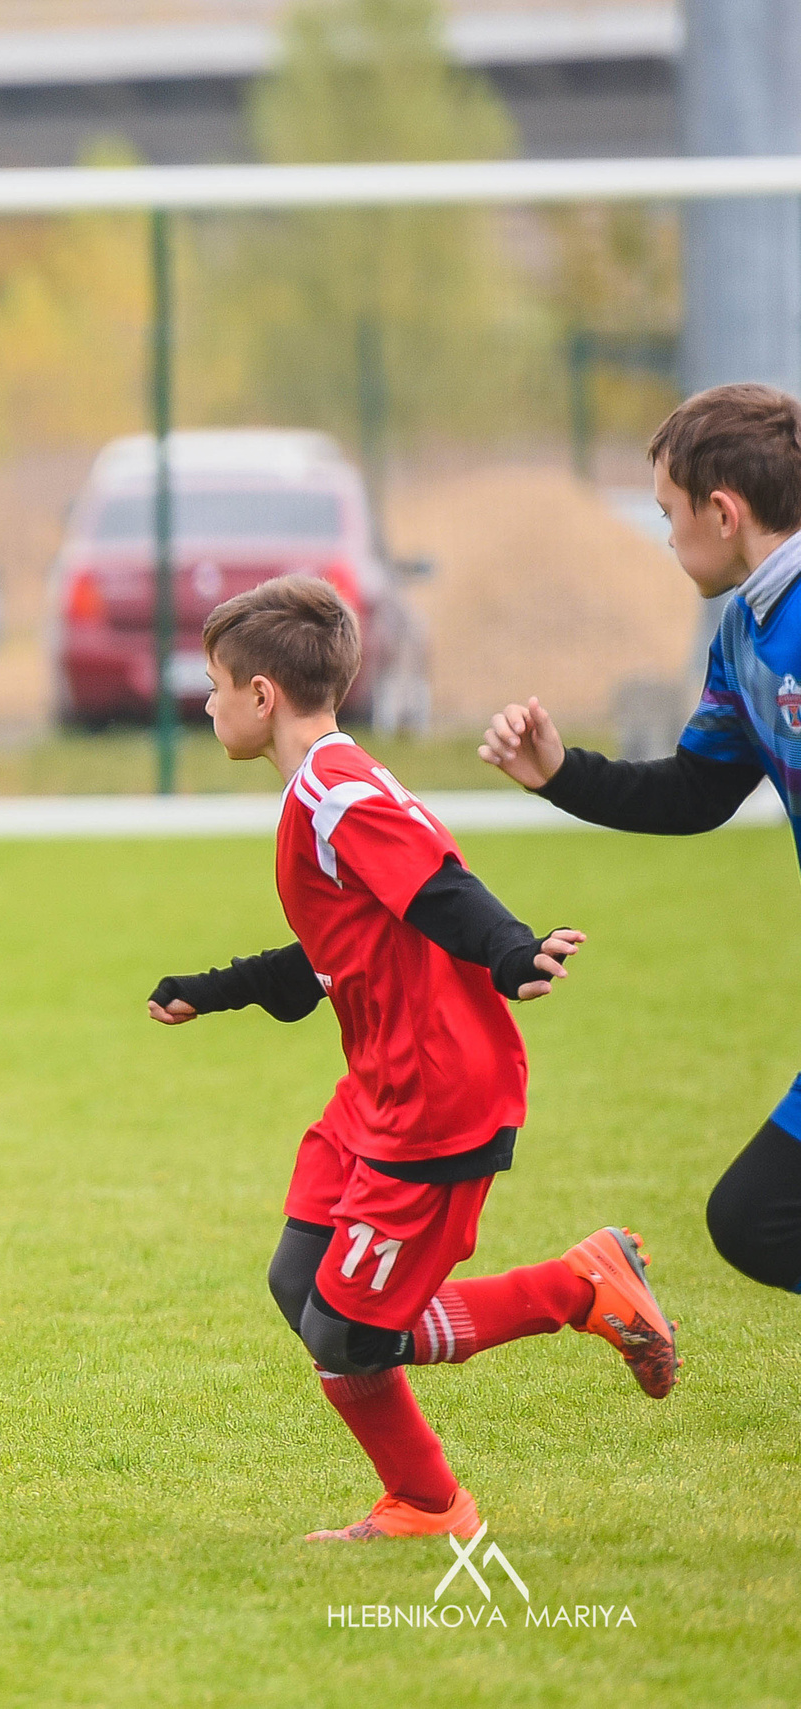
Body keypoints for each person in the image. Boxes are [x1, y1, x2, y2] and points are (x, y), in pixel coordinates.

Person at [149, 575, 677, 1544]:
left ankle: (566, 1305)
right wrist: (212, 987)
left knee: (346, 1335)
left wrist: (512, 951)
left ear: (263, 696)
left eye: (218, 684)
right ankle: (427, 1496)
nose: (207, 702)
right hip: (377, 1086)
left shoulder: (335, 792)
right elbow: (333, 951)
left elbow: (441, 888)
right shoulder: (331, 784)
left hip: (439, 1092)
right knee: (301, 1285)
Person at [482, 382, 801, 1298]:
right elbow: (700, 790)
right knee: (752, 1219)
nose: (665, 536)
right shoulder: (744, 631)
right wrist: (558, 772)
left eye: (669, 512)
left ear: (724, 511)